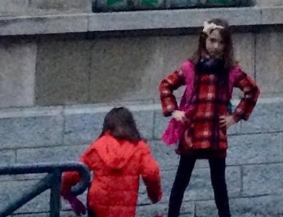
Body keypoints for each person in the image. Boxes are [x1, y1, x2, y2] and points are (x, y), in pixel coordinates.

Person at [159, 18, 260, 217]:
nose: (216, 46)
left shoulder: (231, 71)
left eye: (221, 42)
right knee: (180, 183)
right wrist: (174, 111)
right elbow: (166, 85)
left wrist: (235, 117)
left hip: (215, 134)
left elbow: (252, 91)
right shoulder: (190, 68)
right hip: (192, 132)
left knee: (219, 186)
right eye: (212, 40)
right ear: (204, 39)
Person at [60, 106, 162, 217]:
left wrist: (67, 193)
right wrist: (154, 196)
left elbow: (73, 172)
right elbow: (152, 173)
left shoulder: (98, 145)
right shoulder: (139, 147)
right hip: (125, 208)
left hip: (97, 206)